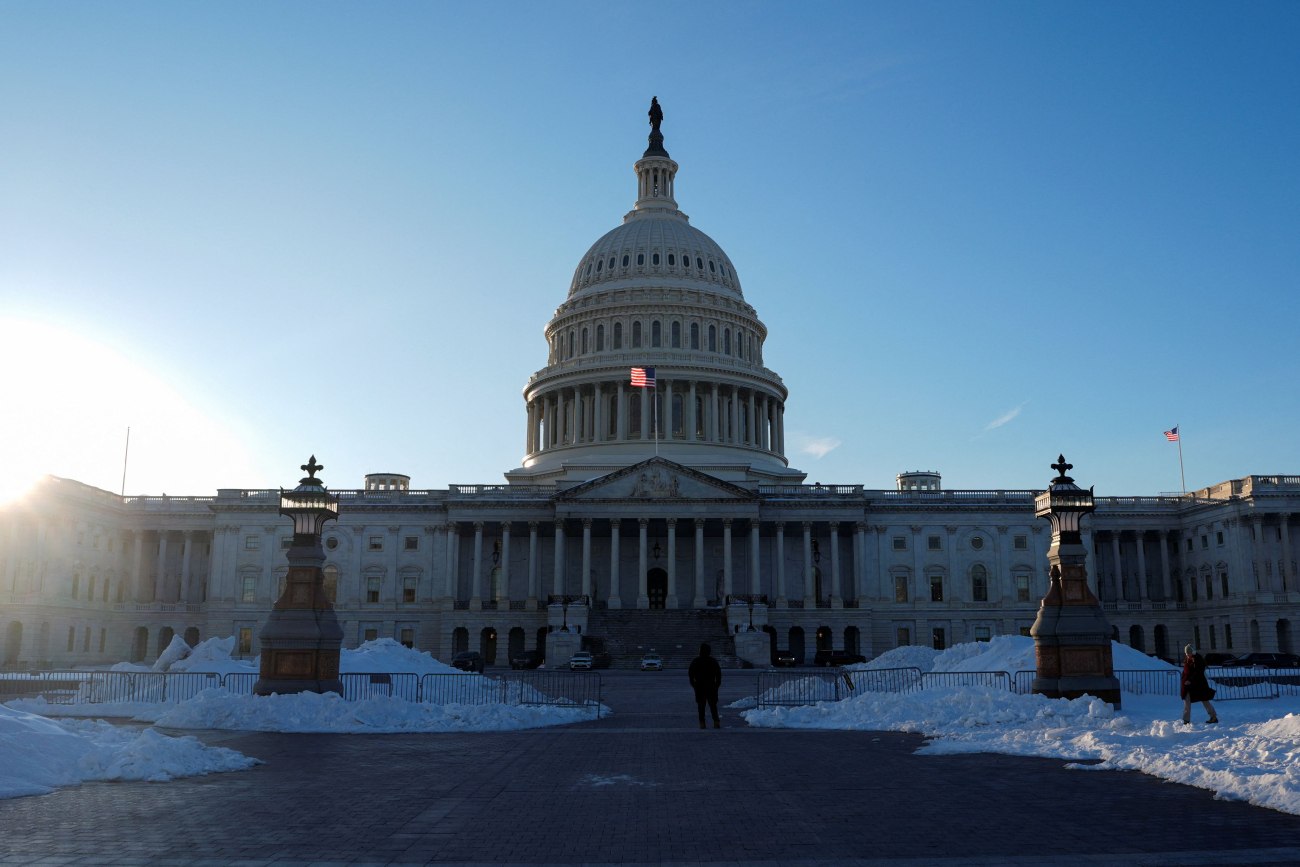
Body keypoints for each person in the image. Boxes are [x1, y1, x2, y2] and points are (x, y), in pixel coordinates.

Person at [1181, 644, 1219, 725]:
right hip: (1188, 685)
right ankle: (1186, 720)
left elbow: (1198, 672)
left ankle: (1213, 716)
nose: (1187, 655)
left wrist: (1190, 680)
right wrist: (1184, 680)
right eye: (1186, 654)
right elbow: (1185, 671)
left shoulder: (1198, 659)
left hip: (1199, 684)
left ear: (1192, 652)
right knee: (1187, 700)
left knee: (1205, 700)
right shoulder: (1187, 659)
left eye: (1189, 653)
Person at [688, 642, 723, 729]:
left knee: (701, 706)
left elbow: (690, 674)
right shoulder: (713, 661)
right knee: (713, 706)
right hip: (711, 686)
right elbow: (719, 675)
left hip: (700, 687)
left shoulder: (696, 661)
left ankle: (702, 723)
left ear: (700, 651)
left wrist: (694, 685)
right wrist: (716, 685)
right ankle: (716, 722)